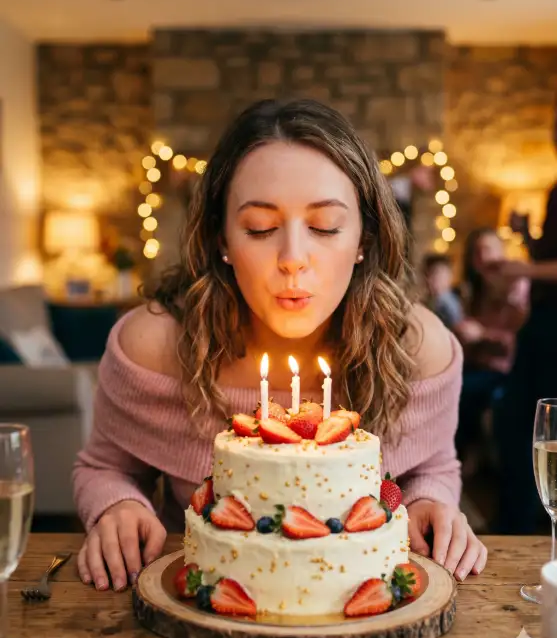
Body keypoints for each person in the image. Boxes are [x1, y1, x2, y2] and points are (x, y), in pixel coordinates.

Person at [72, 98, 487, 592]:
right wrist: (119, 506)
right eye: (261, 228)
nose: (293, 258)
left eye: (325, 227)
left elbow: (434, 466)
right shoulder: (154, 347)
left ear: (363, 239)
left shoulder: (418, 348)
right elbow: (104, 467)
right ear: (221, 238)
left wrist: (429, 502)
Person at [490, 183, 557, 533]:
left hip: (551, 329)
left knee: (531, 423)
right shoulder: (553, 191)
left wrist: (523, 271)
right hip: (542, 324)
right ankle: (515, 526)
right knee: (516, 421)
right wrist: (527, 236)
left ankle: (526, 529)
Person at [452, 228, 529, 476]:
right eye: (476, 253)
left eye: (487, 249)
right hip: (475, 364)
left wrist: (482, 334)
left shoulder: (517, 286)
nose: (482, 258)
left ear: (501, 251)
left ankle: (463, 456)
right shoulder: (477, 289)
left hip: (505, 370)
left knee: (462, 389)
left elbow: (517, 343)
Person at [421, 253, 463, 330]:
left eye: (436, 274)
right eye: (427, 274)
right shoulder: (433, 301)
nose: (429, 280)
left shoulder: (446, 302)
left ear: (449, 276)